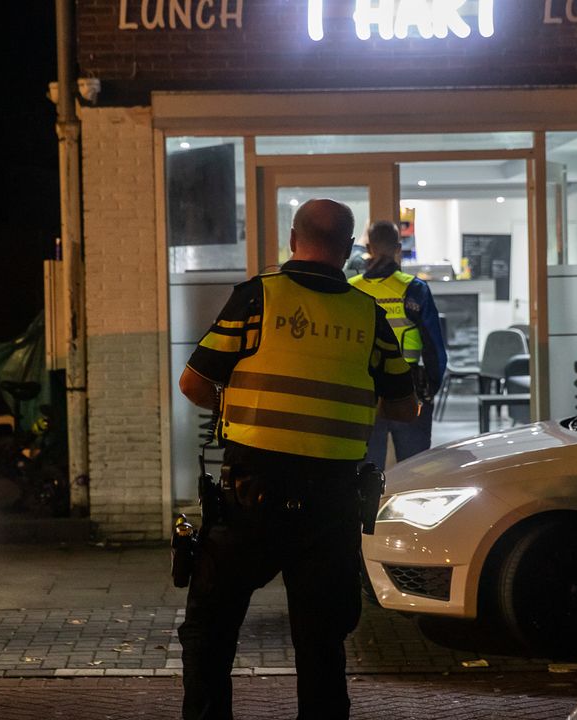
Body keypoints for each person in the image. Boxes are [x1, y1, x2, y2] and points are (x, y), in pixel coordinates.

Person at [177, 199, 418, 720]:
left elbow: (193, 383)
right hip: (331, 504)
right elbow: (406, 403)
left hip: (249, 497)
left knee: (209, 633)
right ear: (350, 250)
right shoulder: (367, 314)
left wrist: (240, 403)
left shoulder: (256, 298)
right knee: (321, 645)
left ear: (293, 239)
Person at [349, 220, 448, 467]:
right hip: (408, 386)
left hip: (365, 390)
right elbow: (434, 347)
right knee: (414, 469)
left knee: (366, 471)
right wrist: (431, 387)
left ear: (368, 247)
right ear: (398, 247)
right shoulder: (414, 289)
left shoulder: (351, 290)